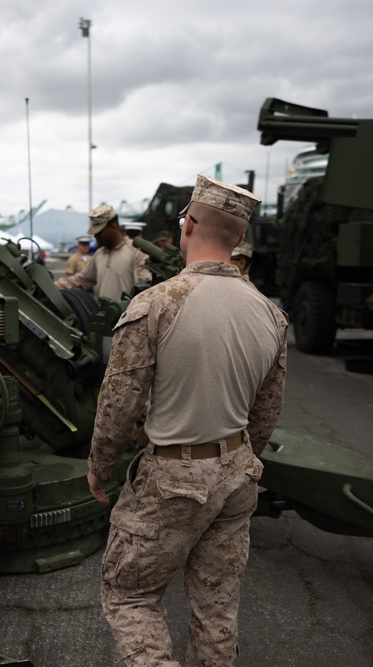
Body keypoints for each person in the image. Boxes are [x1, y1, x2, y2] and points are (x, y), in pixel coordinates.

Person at [87, 175, 288, 666]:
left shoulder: (156, 304)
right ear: (238, 237)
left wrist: (101, 464)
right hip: (238, 474)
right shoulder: (270, 315)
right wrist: (238, 459)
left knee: (131, 597)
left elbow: (120, 401)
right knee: (217, 606)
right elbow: (265, 412)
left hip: (174, 479)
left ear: (189, 224)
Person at [54, 205, 151, 300]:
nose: (96, 238)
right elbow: (81, 281)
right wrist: (52, 287)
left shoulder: (136, 253)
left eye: (100, 233)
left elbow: (145, 292)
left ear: (113, 227)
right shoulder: (99, 254)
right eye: (95, 234)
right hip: (104, 314)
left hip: (129, 315)